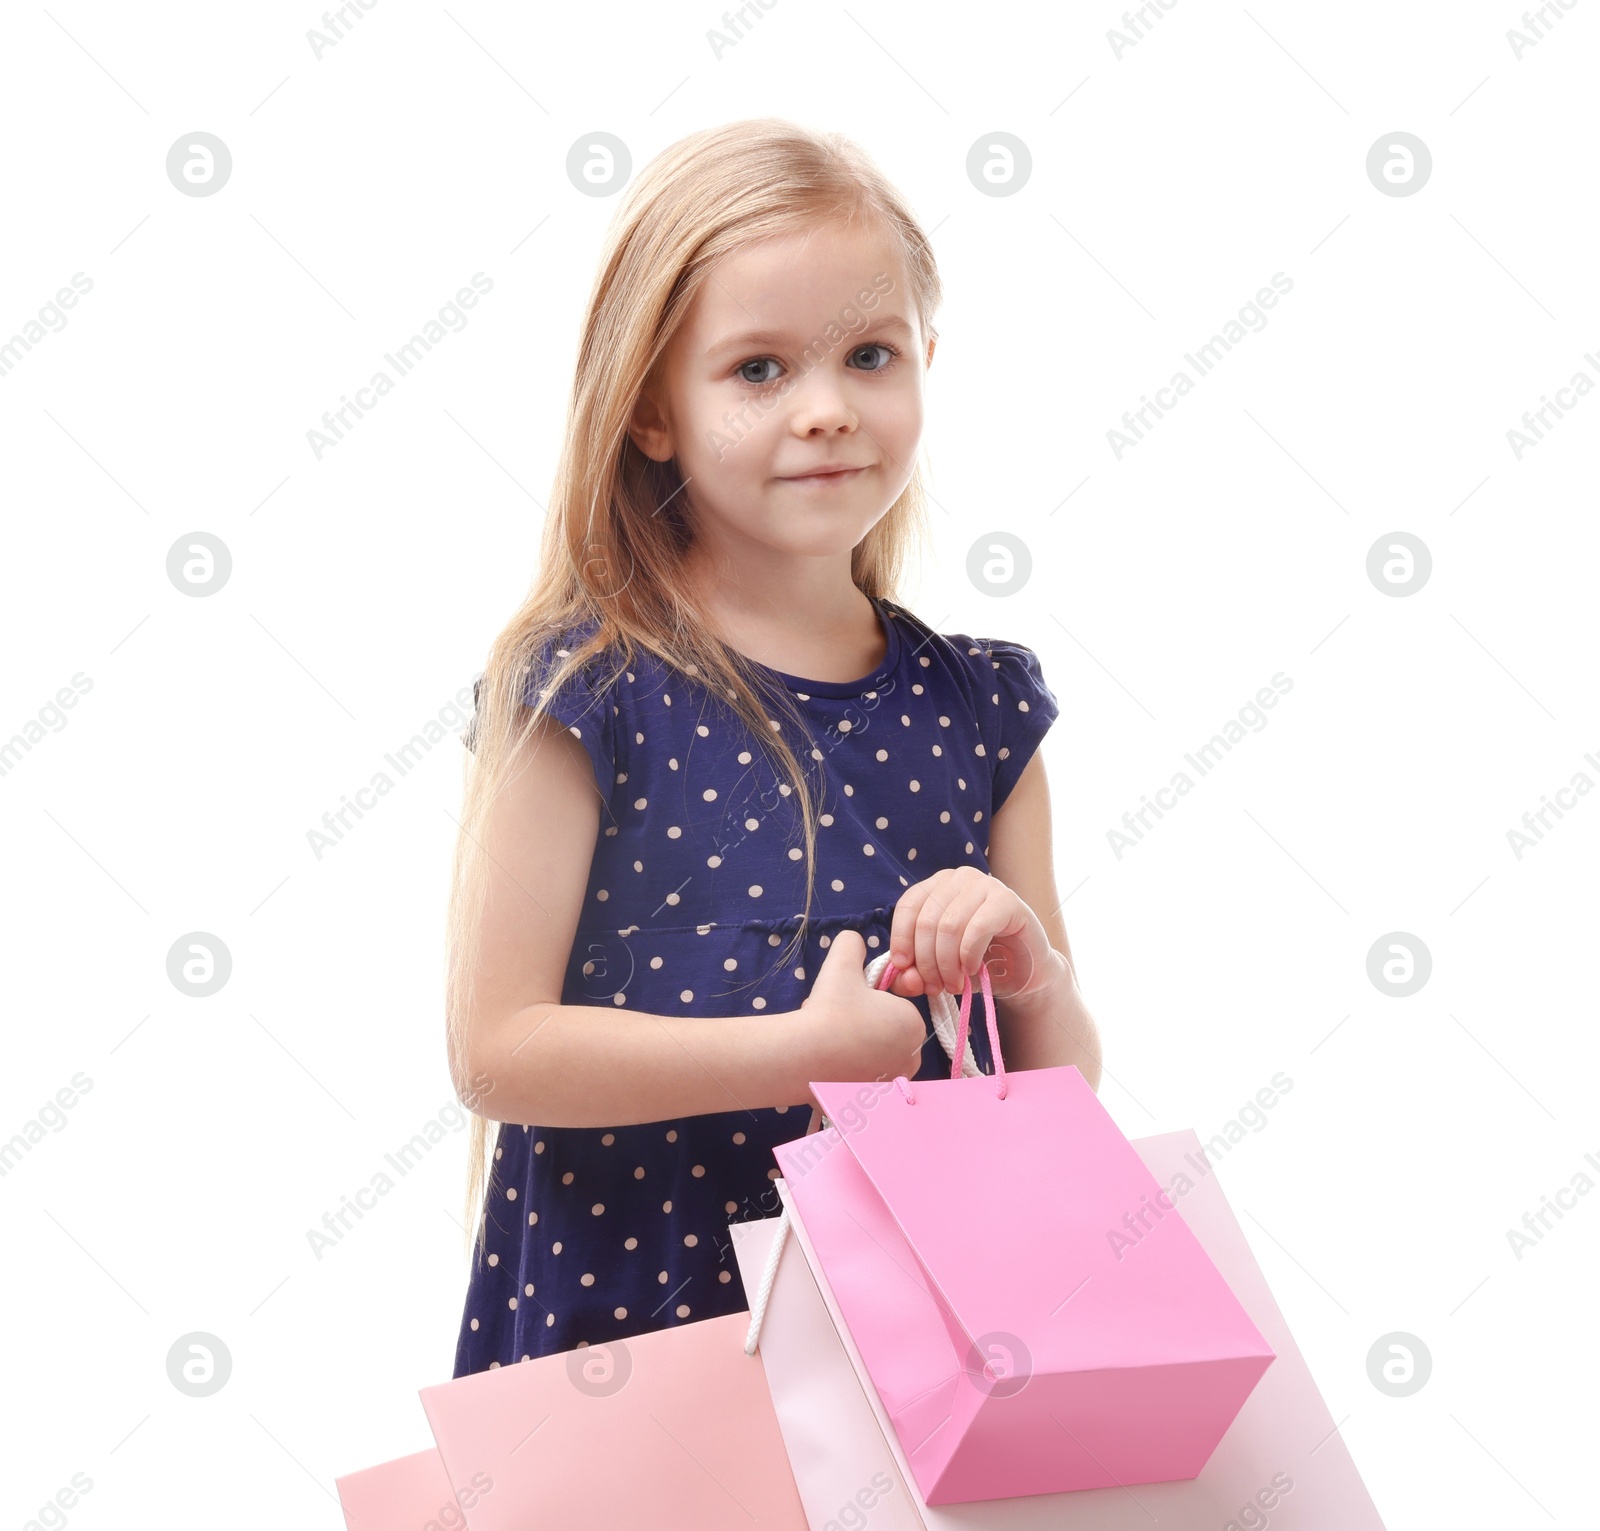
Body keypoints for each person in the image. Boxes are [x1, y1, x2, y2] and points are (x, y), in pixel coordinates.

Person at [445, 116, 1103, 1375]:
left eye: (869, 355)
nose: (826, 411)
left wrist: (1029, 976)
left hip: (909, 1354)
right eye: (757, 370)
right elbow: (497, 1048)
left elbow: (1059, 1091)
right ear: (649, 409)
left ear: (925, 363)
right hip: (630, 1347)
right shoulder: (584, 687)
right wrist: (801, 1053)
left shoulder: (981, 711)